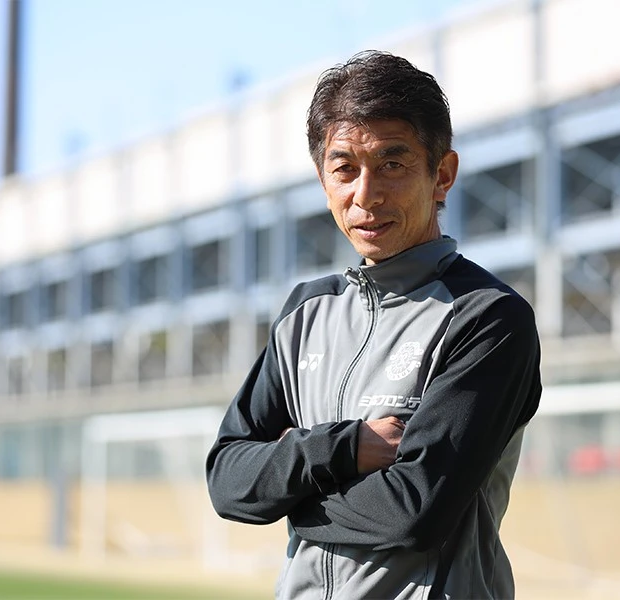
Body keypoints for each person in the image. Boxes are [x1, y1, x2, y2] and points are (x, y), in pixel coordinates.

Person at [206, 50, 541, 600]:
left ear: (442, 175)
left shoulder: (486, 316)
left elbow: (414, 512)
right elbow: (226, 480)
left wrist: (286, 488)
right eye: (344, 169)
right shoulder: (304, 313)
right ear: (323, 181)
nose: (366, 195)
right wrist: (344, 448)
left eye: (392, 164)